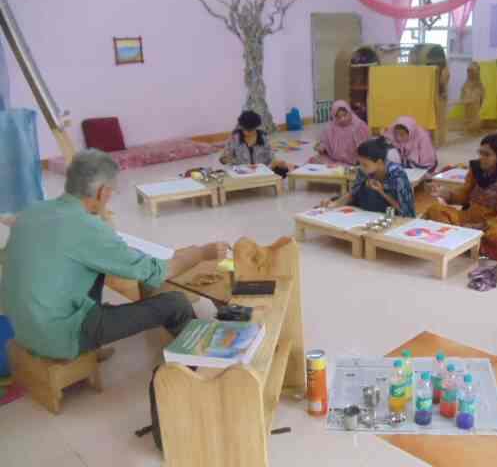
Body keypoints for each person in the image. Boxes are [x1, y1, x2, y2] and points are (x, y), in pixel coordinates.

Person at [0, 150, 229, 361]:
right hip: (57, 337)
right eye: (112, 190)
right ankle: (203, 365)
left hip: (22, 327)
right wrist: (202, 253)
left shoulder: (34, 210)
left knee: (94, 271)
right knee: (176, 303)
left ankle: (89, 338)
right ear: (102, 191)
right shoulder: (87, 228)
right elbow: (156, 272)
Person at [424, 134, 497, 264]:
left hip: (494, 225)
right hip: (469, 218)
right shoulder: (476, 170)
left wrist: (476, 227)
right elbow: (464, 196)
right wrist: (445, 193)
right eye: (480, 153)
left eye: (487, 155)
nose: (481, 158)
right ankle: (469, 244)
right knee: (435, 210)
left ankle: (461, 242)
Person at [320, 137, 416, 218]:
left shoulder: (397, 175)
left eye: (365, 164)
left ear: (379, 162)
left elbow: (404, 210)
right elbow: (354, 192)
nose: (361, 167)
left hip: (391, 210)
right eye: (360, 163)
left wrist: (382, 192)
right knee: (340, 199)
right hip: (368, 208)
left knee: (371, 194)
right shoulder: (364, 171)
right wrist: (335, 203)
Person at [221, 110, 291, 177]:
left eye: (250, 129)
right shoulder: (234, 138)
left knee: (283, 170)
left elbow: (271, 157)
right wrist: (226, 159)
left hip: (261, 171)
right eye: (245, 129)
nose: (247, 132)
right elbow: (223, 159)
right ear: (241, 126)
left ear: (256, 127)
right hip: (242, 172)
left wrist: (276, 163)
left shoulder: (263, 137)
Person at [310, 100, 370, 165]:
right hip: (334, 159)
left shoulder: (359, 125)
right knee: (316, 161)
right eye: (338, 117)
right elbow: (324, 141)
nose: (342, 119)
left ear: (350, 112)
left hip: (355, 160)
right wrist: (322, 146)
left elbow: (365, 145)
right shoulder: (330, 128)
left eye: (345, 115)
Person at [460, 62, 485, 135]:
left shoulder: (479, 84)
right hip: (467, 104)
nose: (469, 73)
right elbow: (463, 92)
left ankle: (475, 129)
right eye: (468, 71)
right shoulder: (466, 83)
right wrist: (464, 98)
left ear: (476, 72)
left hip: (475, 104)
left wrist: (479, 99)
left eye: (471, 71)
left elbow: (481, 95)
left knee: (475, 115)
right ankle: (468, 129)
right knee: (467, 115)